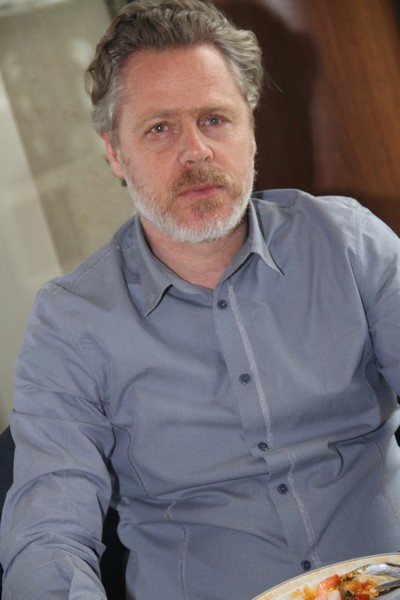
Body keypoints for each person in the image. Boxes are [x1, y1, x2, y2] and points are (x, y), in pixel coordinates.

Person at [1, 0, 400, 598]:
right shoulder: (70, 322)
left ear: (251, 131)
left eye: (214, 119)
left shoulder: (350, 243)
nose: (196, 151)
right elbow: (48, 538)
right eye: (160, 128)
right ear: (115, 153)